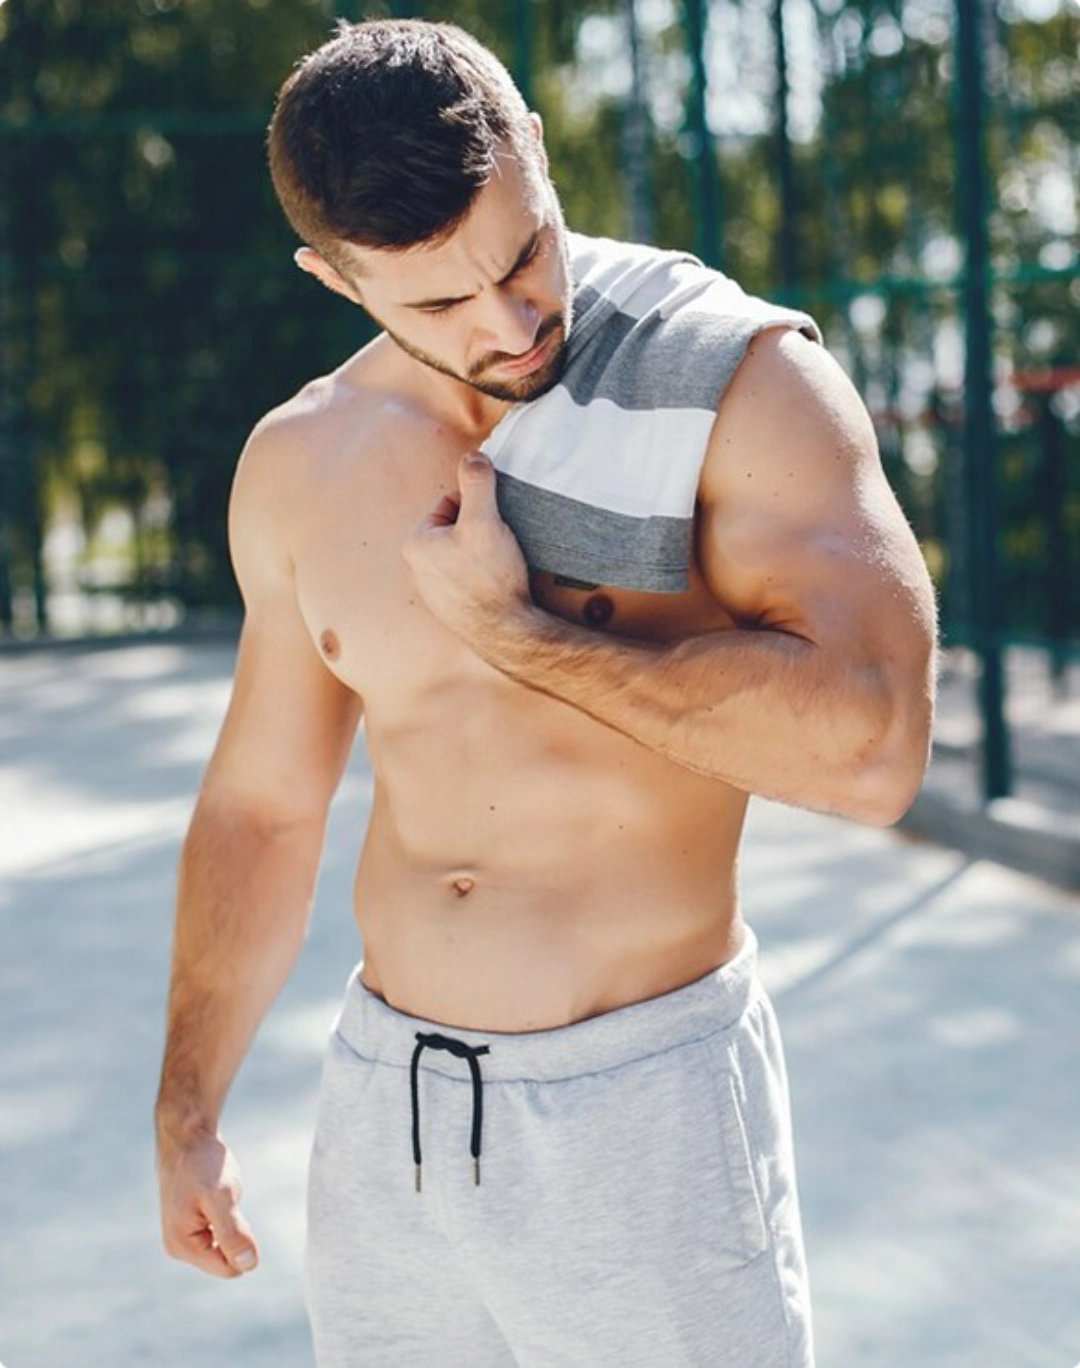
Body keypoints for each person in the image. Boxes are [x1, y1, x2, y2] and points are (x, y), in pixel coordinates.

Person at [154, 18, 936, 1368]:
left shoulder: (736, 384)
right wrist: (186, 1108)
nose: (514, 325)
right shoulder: (303, 462)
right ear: (335, 282)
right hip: (387, 1110)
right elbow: (266, 805)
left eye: (524, 254)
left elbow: (875, 750)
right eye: (441, 304)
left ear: (539, 157)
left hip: (644, 1110)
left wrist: (530, 639)